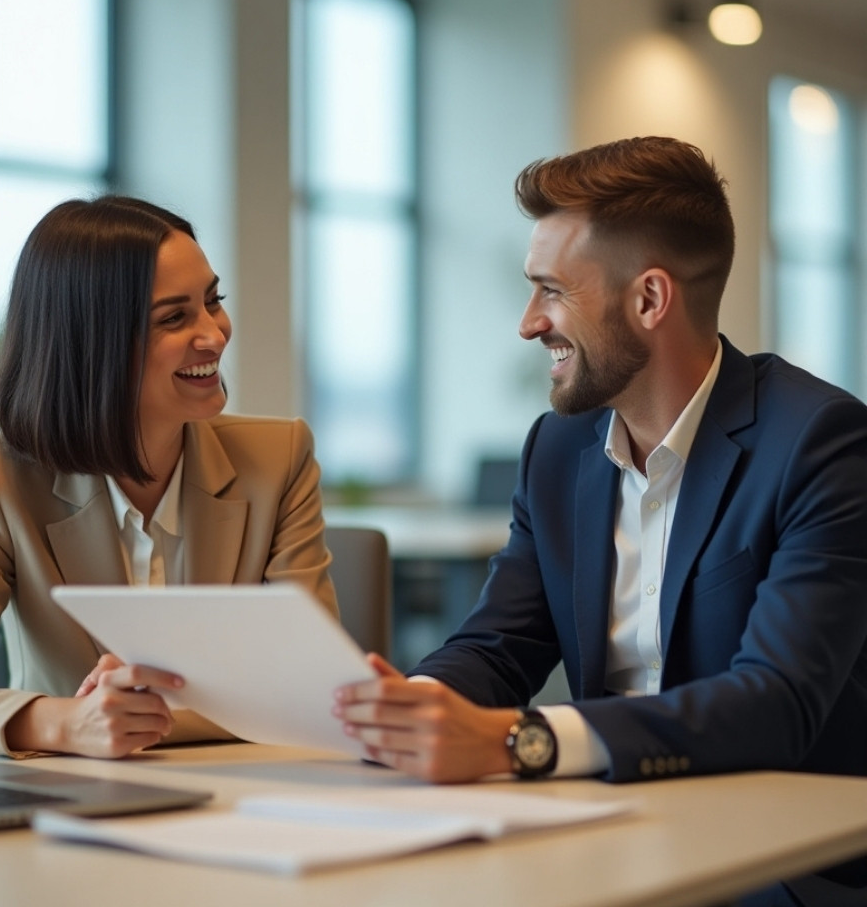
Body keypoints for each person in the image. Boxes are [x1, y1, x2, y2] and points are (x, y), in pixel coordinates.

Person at [333, 137, 867, 906]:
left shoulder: (818, 441)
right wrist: (413, 706)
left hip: (777, 860)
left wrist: (527, 739)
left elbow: (776, 703)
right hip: (600, 828)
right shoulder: (557, 448)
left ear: (649, 300)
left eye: (551, 291)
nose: (527, 323)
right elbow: (499, 644)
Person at [0, 195, 337, 760]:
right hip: (66, 804)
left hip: (241, 792)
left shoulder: (280, 459)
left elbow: (312, 683)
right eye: (174, 318)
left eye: (212, 301)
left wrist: (145, 717)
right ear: (92, 344)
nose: (215, 334)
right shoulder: (1, 477)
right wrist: (62, 723)